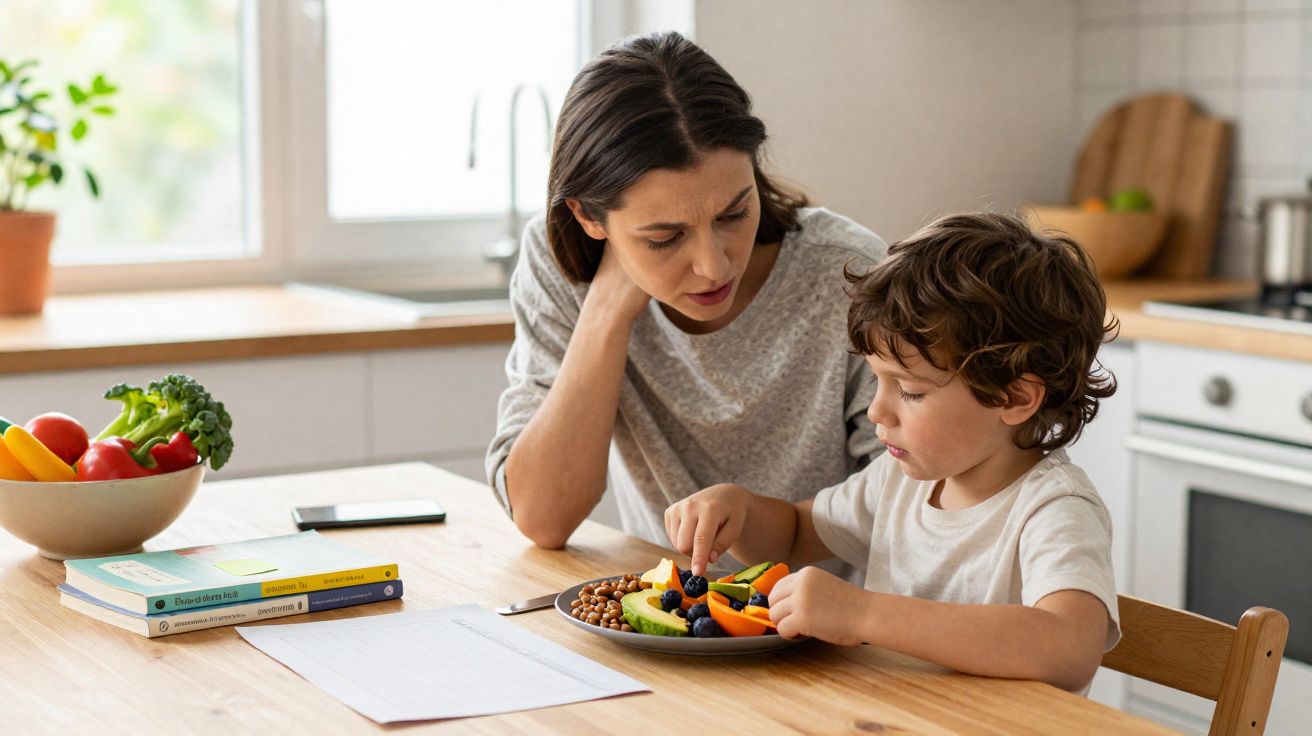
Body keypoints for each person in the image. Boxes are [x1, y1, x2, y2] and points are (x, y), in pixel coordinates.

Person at [664, 212, 1121, 693]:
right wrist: (738, 509)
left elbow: (1070, 647)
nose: (877, 410)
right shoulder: (900, 479)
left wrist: (862, 614)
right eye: (878, 380)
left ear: (1012, 397)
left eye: (910, 390)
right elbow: (797, 533)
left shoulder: (1054, 509)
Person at [485, 31, 886, 563]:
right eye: (664, 238)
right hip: (661, 624)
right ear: (588, 216)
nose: (714, 265)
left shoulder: (844, 269)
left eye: (734, 214)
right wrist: (606, 309)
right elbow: (543, 515)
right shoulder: (559, 261)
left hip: (832, 631)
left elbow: (911, 508)